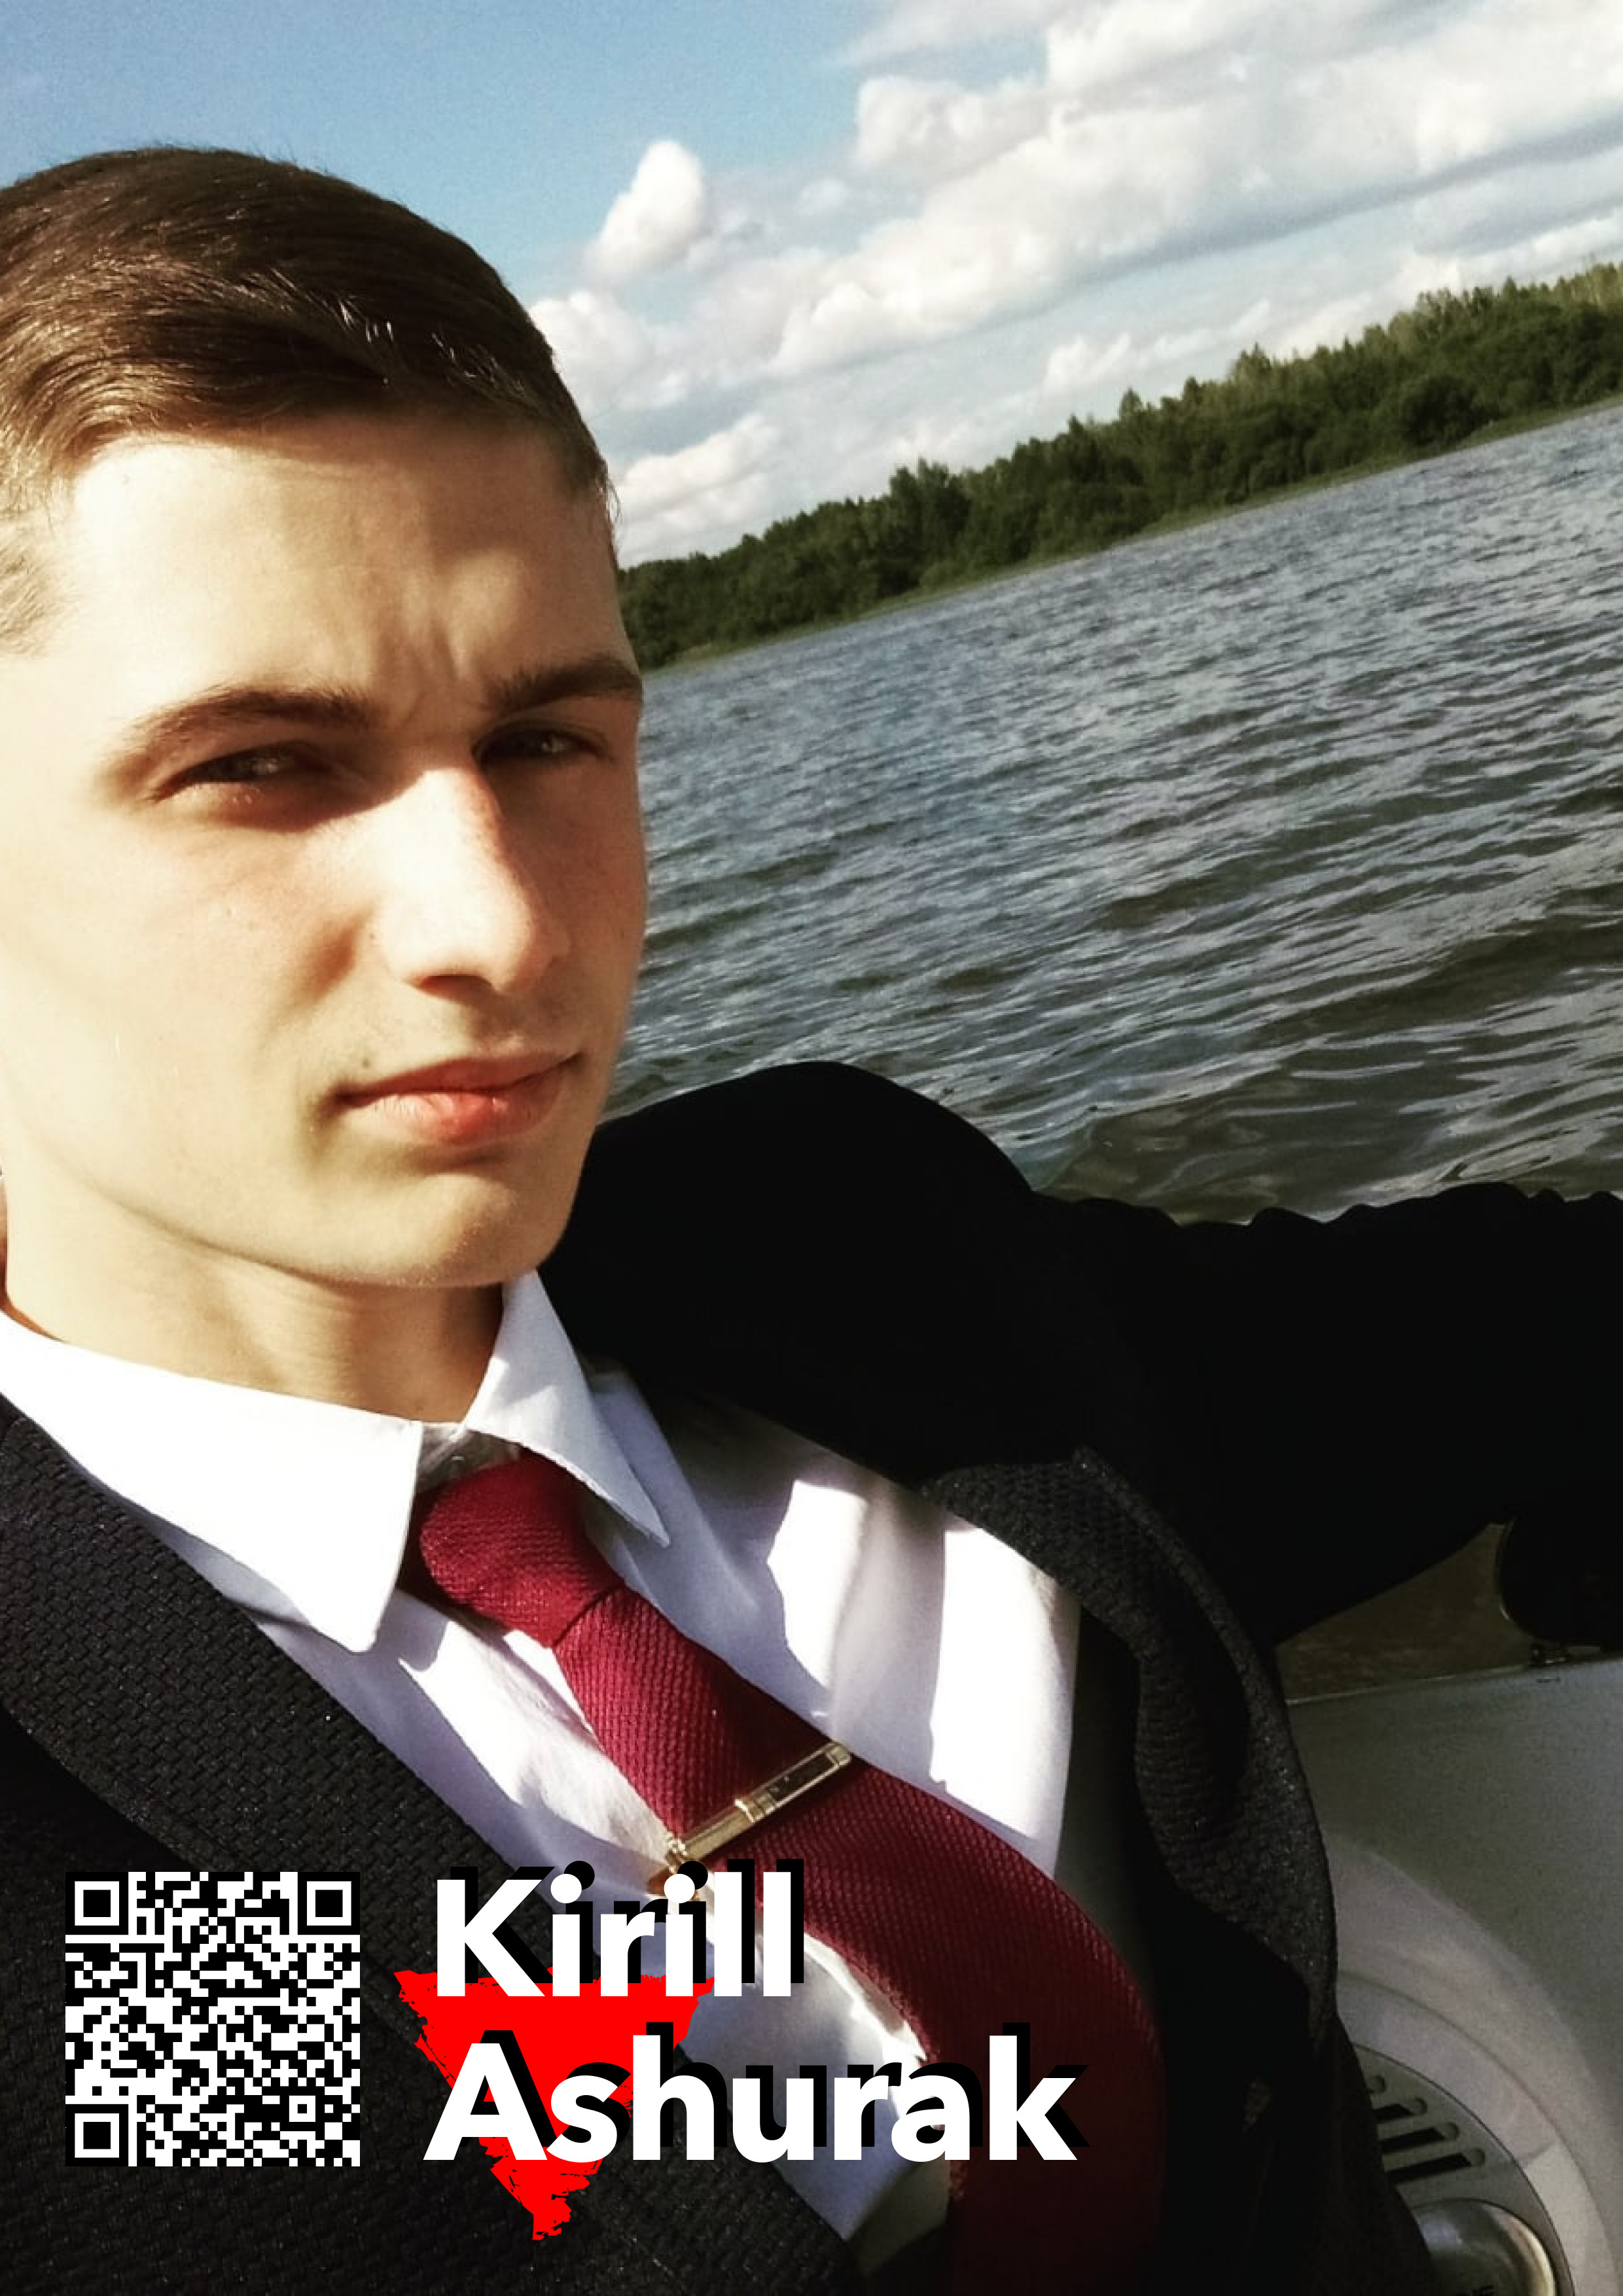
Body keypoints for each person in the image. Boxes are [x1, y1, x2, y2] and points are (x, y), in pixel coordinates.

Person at [0, 145, 1616, 2295]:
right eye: (263, 767)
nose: (502, 922)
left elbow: (1521, 1319)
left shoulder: (869, 1269)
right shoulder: (75, 1787)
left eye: (549, 735)